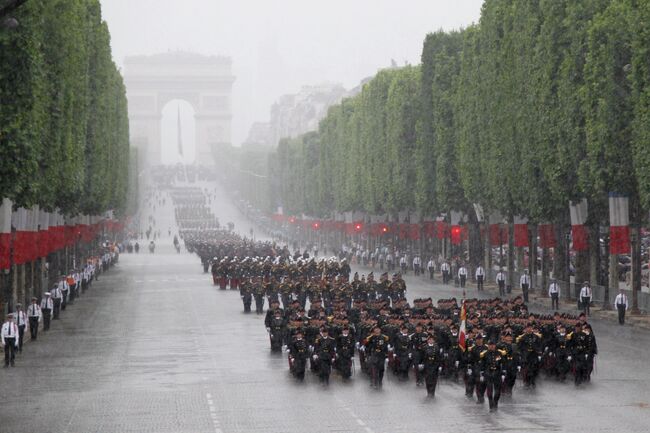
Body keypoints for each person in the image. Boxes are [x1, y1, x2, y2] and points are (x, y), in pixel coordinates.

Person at [481, 339, 506, 410]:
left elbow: (503, 363)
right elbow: (482, 365)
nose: (492, 346)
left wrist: (503, 373)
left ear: (495, 346)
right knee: (489, 391)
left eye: (493, 345)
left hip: (497, 373)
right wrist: (482, 374)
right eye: (490, 345)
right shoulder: (484, 354)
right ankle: (491, 404)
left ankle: (495, 402)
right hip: (488, 373)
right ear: (488, 346)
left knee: (498, 391)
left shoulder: (499, 353)